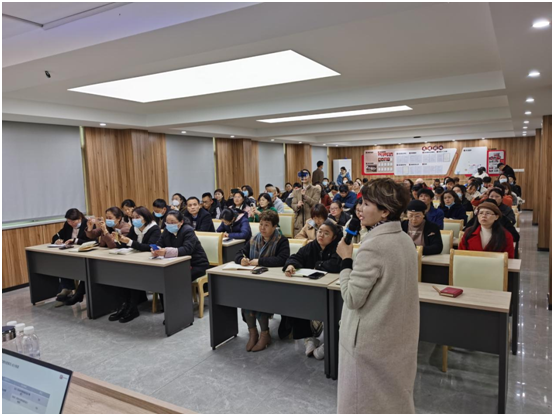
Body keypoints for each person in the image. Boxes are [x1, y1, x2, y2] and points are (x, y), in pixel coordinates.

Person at [335, 178, 418, 413]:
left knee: (363, 404)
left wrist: (346, 260)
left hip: (369, 342)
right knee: (393, 401)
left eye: (367, 204)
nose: (359, 209)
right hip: (395, 336)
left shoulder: (374, 246)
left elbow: (352, 298)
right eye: (361, 202)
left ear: (385, 212)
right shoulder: (404, 239)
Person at [283, 220, 343, 359]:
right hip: (311, 288)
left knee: (332, 311)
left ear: (334, 237)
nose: (321, 235)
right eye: (320, 231)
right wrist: (291, 265)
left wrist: (318, 265)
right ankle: (309, 338)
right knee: (296, 299)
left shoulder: (338, 247)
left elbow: (336, 265)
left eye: (326, 233)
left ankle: (329, 342)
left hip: (330, 290)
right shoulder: (311, 246)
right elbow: (295, 257)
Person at [234, 211, 290, 352]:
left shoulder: (281, 240)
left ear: (275, 226)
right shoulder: (254, 239)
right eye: (261, 224)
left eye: (266, 225)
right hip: (254, 280)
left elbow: (282, 259)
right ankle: (253, 332)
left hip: (273, 283)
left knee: (260, 298)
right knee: (246, 298)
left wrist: (260, 261)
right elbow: (239, 253)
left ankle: (265, 334)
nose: (262, 228)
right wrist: (241, 259)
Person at [109, 207, 161, 323]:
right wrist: (119, 240)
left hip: (150, 263)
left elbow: (149, 247)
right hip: (135, 260)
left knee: (131, 275)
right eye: (133, 217)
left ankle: (132, 308)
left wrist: (130, 242)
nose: (135, 220)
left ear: (145, 218)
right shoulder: (134, 228)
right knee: (119, 274)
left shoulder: (154, 229)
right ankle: (124, 305)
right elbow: (128, 244)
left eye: (138, 217)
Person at [51, 208, 93, 303]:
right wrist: (57, 240)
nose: (71, 224)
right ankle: (67, 288)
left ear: (80, 218)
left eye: (73, 221)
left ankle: (75, 292)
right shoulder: (68, 225)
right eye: (69, 221)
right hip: (70, 253)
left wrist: (75, 240)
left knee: (74, 265)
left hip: (84, 254)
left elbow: (91, 241)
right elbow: (57, 235)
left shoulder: (88, 224)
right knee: (63, 262)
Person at [291, 169, 320, 235]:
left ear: (309, 177)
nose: (303, 177)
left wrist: (305, 196)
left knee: (311, 238)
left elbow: (315, 204)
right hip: (299, 221)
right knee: (299, 239)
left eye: (305, 175)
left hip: (311, 219)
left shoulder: (315, 190)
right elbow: (293, 205)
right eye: (302, 175)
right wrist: (297, 205)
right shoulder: (296, 191)